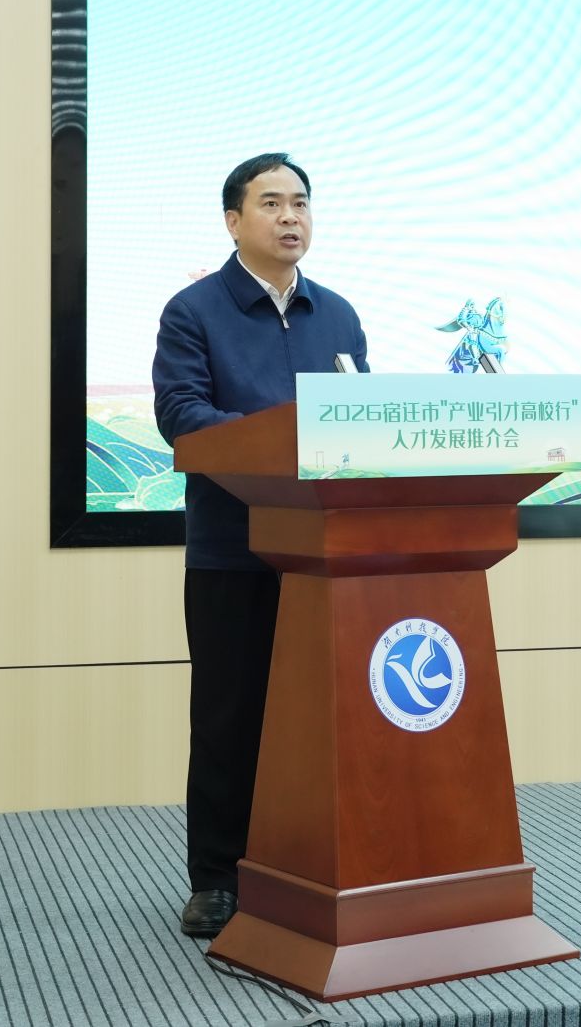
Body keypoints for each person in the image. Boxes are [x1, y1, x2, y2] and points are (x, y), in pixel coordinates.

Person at [151, 152, 369, 938]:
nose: (290, 216)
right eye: (271, 202)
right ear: (233, 220)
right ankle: (216, 878)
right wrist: (280, 440)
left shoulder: (338, 314)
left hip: (324, 556)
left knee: (318, 722)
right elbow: (181, 413)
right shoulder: (193, 311)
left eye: (300, 202)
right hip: (233, 550)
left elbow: (361, 422)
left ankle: (306, 866)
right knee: (229, 720)